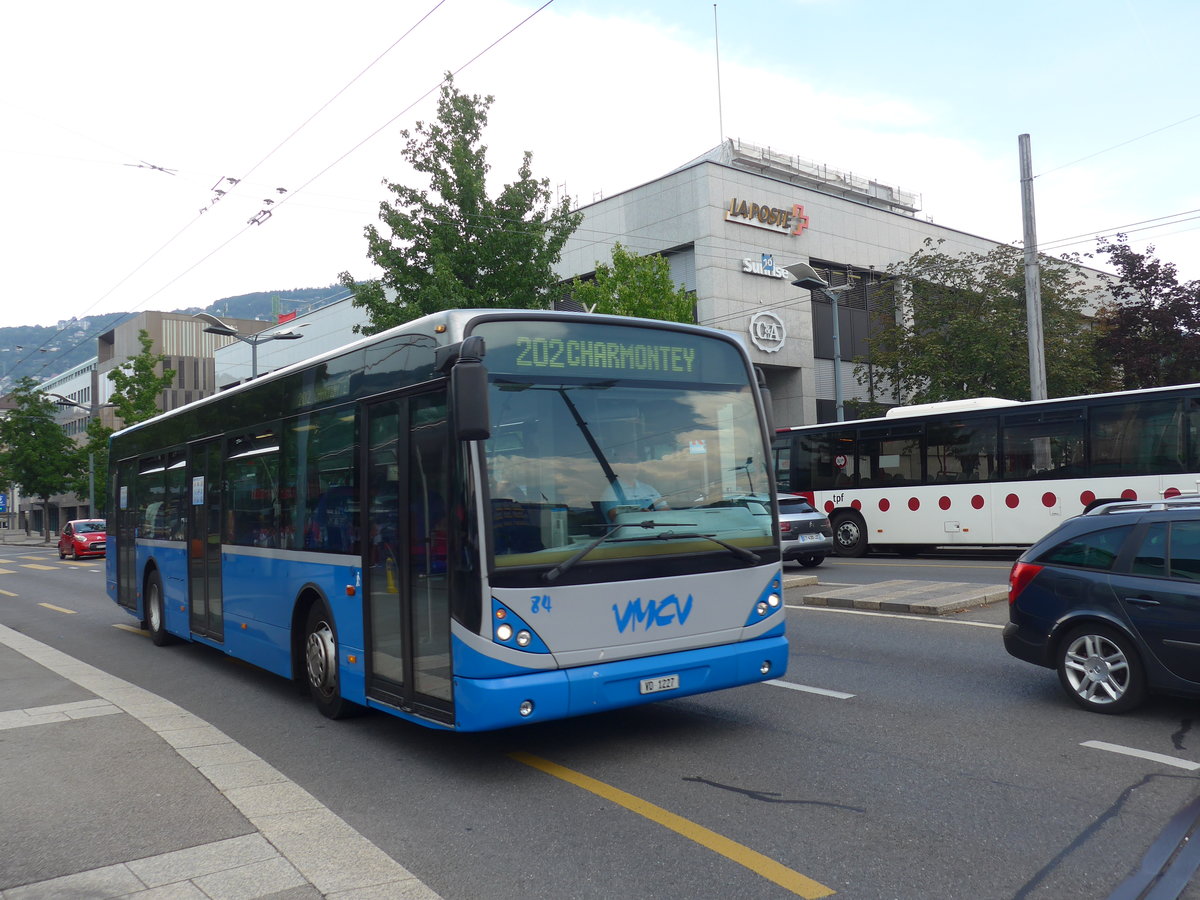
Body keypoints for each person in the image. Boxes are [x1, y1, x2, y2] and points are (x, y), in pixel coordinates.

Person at [600, 457, 668, 521]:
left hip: (654, 532)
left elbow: (665, 509)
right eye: (630, 461)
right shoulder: (611, 491)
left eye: (637, 461)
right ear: (618, 466)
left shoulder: (648, 489)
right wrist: (640, 511)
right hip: (627, 533)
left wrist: (653, 515)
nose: (635, 465)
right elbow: (614, 514)